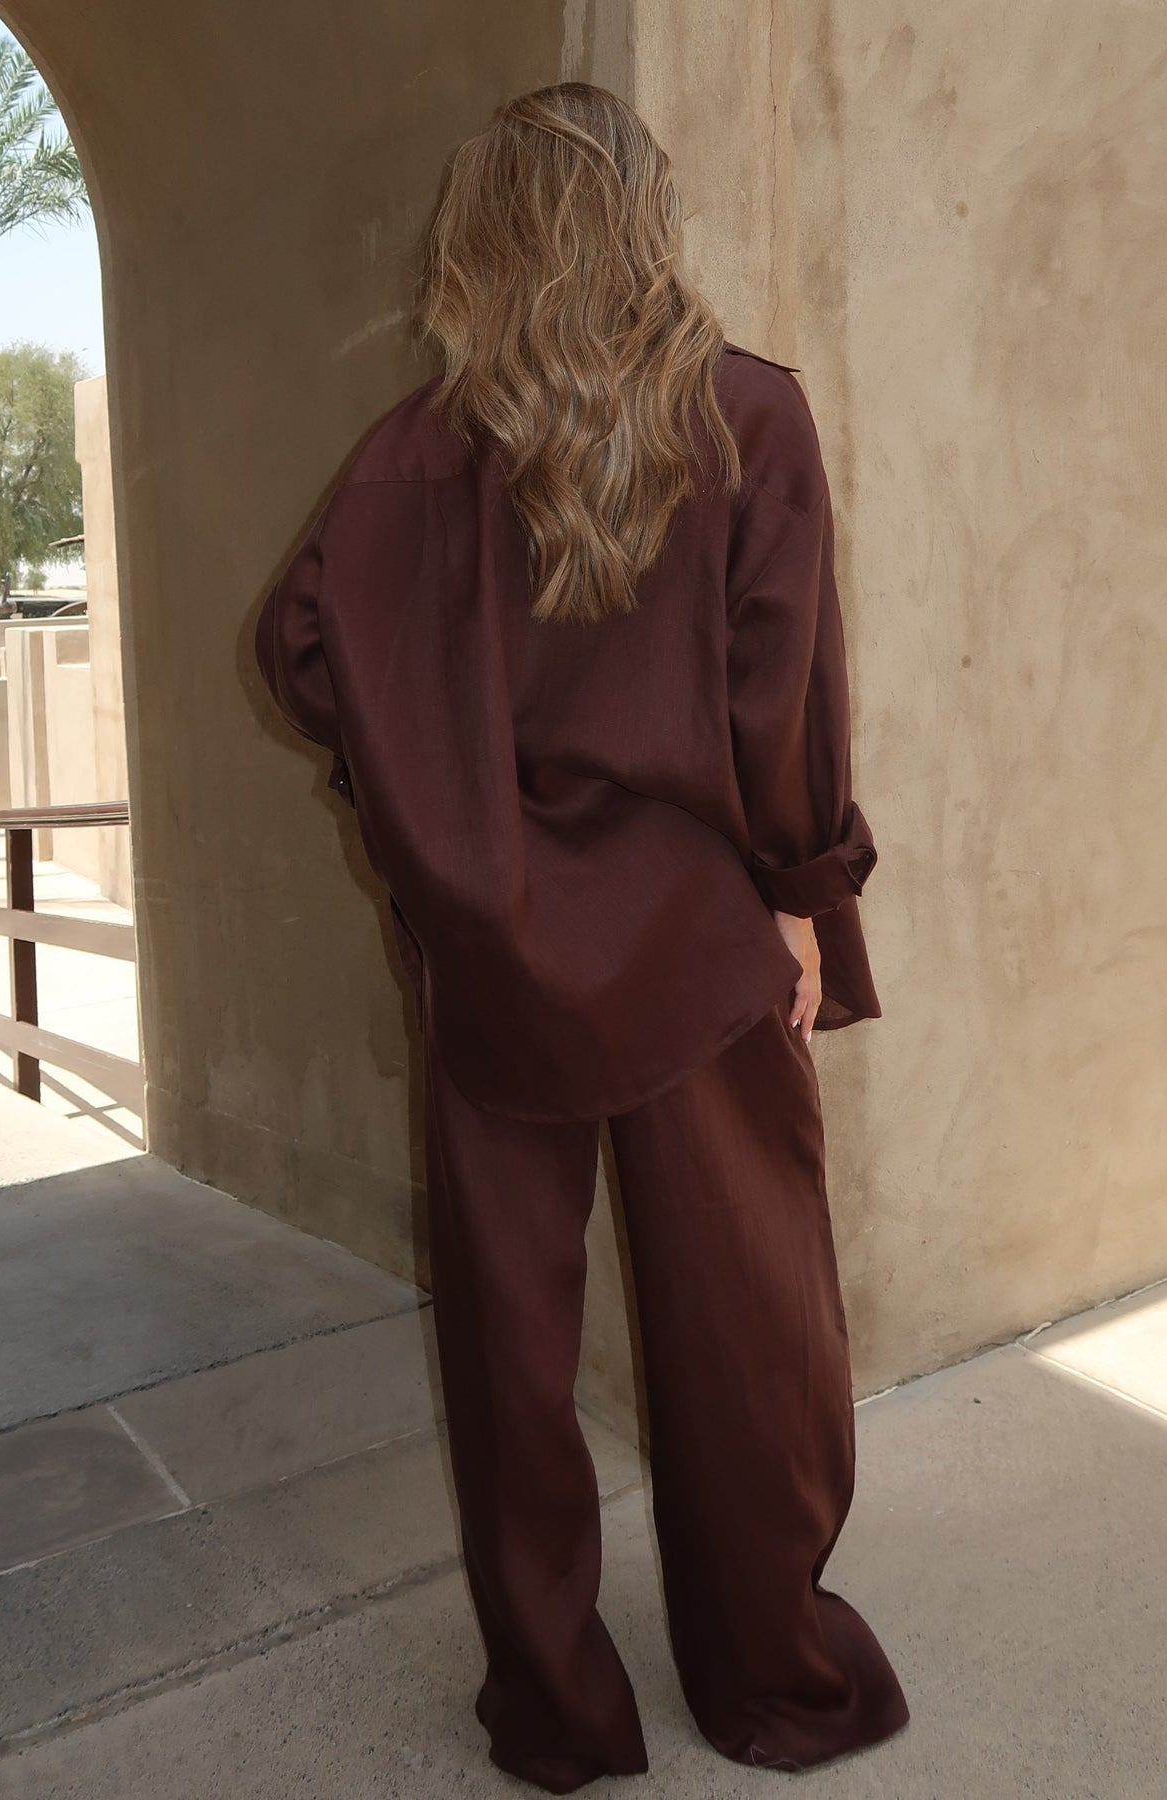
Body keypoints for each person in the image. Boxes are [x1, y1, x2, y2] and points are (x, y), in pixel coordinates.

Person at [256, 79, 909, 1796]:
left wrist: (430, 809)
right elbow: (781, 691)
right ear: (643, 212)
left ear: (478, 238)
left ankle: (556, 1713)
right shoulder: (746, 415)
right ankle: (774, 1683)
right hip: (693, 951)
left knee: (508, 1356)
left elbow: (298, 653)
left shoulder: (411, 457)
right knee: (749, 1333)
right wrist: (801, 896)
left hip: (494, 960)